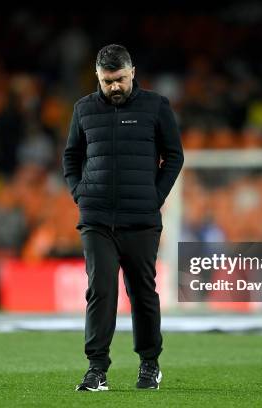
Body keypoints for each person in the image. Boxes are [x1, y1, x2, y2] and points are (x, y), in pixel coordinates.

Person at [63, 44, 183, 391]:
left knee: (143, 291)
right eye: (106, 81)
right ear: (97, 78)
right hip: (96, 218)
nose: (114, 87)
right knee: (100, 289)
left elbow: (174, 156)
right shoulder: (83, 109)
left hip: (141, 220)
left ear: (132, 73)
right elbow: (71, 157)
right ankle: (96, 369)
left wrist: (154, 197)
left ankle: (149, 364)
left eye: (119, 80)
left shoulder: (156, 106)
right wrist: (80, 194)